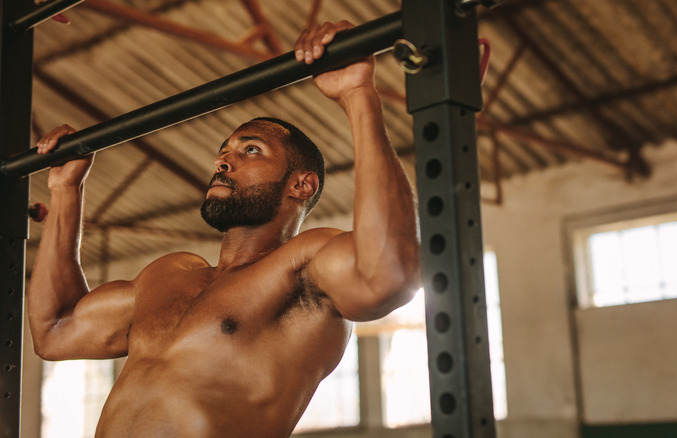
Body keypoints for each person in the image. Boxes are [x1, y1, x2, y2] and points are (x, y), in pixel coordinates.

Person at [27, 21, 420, 438]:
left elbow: (390, 274)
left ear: (301, 185)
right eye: (223, 152)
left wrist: (358, 95)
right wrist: (67, 189)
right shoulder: (167, 275)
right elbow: (55, 330)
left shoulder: (304, 267)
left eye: (251, 150)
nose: (223, 161)